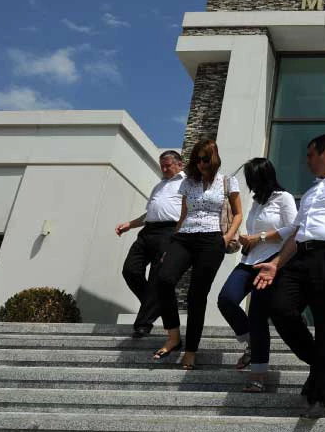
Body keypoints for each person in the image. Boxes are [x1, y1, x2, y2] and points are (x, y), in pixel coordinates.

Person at [252, 133, 325, 420]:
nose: (307, 161)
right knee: (279, 307)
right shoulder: (311, 192)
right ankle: (319, 362)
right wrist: (277, 264)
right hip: (301, 256)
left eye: (310, 155)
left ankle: (320, 397)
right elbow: (296, 234)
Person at [150, 139, 242, 370]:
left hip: (212, 239)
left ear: (214, 158)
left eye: (205, 159)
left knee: (196, 296)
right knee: (163, 279)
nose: (200, 163)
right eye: (197, 159)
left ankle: (191, 350)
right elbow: (183, 215)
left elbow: (238, 213)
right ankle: (173, 336)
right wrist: (171, 246)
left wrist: (226, 237)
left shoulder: (228, 181)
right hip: (184, 237)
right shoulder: (188, 183)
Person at [216, 158, 296, 392]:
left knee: (258, 316)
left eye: (253, 180)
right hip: (249, 260)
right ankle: (251, 342)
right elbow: (254, 232)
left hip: (271, 263)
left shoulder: (284, 198)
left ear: (264, 178)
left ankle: (258, 376)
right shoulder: (256, 202)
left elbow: (293, 229)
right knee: (226, 299)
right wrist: (247, 242)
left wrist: (259, 238)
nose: (250, 186)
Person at [115, 150, 185, 339]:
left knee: (157, 276)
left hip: (169, 232)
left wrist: (177, 238)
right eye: (161, 165)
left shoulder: (187, 183)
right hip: (148, 232)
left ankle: (143, 324)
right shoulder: (159, 186)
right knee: (130, 270)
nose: (163, 169)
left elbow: (187, 214)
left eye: (167, 165)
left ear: (179, 164)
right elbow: (149, 214)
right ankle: (158, 303)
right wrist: (129, 224)